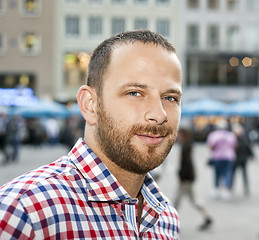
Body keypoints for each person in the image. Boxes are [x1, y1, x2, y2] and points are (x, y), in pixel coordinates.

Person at [0, 30, 182, 239]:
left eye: (170, 97)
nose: (159, 114)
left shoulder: (166, 218)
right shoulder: (22, 213)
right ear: (90, 105)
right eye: (135, 93)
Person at [173, 128, 213, 230]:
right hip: (188, 176)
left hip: (185, 177)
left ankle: (170, 220)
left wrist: (181, 175)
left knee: (179, 199)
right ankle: (207, 216)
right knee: (190, 198)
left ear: (183, 135)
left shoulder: (185, 146)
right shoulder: (188, 145)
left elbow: (184, 163)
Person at [206, 118, 237, 201]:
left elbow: (211, 146)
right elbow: (234, 146)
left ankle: (216, 189)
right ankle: (226, 190)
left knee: (217, 173)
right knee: (227, 173)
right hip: (229, 157)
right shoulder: (230, 135)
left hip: (217, 157)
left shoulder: (213, 135)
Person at [231, 124, 254, 196]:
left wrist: (251, 155)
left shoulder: (244, 139)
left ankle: (246, 188)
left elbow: (248, 148)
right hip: (235, 159)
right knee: (233, 174)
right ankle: (230, 187)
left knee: (244, 175)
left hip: (243, 159)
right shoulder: (232, 139)